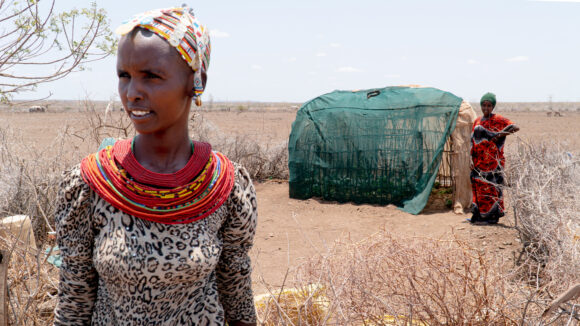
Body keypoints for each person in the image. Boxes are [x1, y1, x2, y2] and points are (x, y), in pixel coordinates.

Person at [53, 7, 257, 325]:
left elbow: (236, 293)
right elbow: (74, 303)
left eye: (151, 76)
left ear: (196, 81)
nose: (132, 93)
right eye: (124, 76)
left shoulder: (226, 186)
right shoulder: (90, 184)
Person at [467, 92, 519, 225]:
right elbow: (472, 141)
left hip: (493, 162)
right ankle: (479, 216)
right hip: (478, 161)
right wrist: (470, 159)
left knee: (492, 189)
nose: (486, 108)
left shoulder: (498, 119)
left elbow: (515, 127)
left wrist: (498, 135)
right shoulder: (477, 121)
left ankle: (491, 217)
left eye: (489, 105)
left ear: (493, 107)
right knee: (478, 188)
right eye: (484, 105)